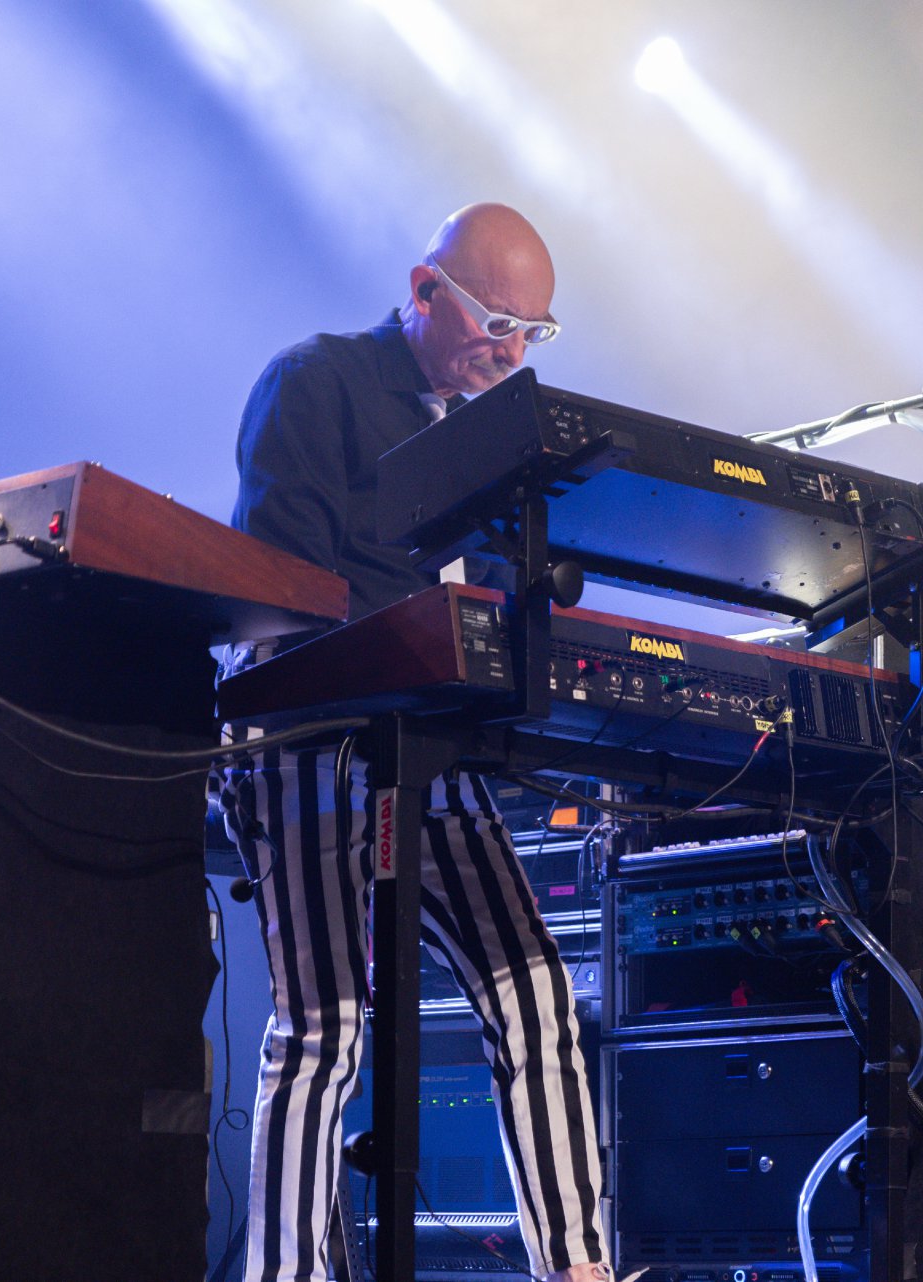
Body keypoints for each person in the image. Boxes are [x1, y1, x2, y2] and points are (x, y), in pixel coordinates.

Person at [223, 203, 611, 1282]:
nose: (513, 351)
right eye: (497, 322)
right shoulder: (317, 383)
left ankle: (577, 1267)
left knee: (536, 996)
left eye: (534, 332)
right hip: (309, 737)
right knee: (324, 1024)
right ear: (424, 289)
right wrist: (426, 637)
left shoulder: (491, 438)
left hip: (429, 751)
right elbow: (281, 586)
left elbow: (491, 601)